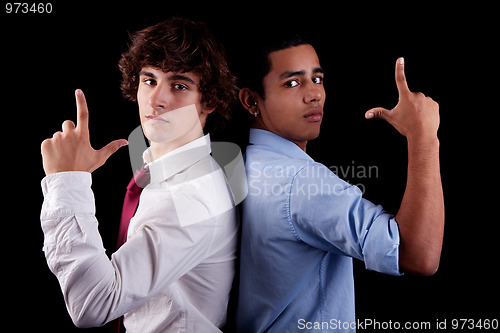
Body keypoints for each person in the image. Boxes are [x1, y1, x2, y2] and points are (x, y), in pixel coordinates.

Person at [40, 17, 240, 332]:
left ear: (210, 100)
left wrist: (67, 180)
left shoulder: (191, 196)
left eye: (178, 85)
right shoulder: (166, 173)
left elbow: (93, 304)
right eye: (149, 80)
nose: (156, 100)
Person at [235, 35, 444, 332]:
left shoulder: (246, 164)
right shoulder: (300, 181)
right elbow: (418, 256)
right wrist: (424, 137)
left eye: (317, 79)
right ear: (251, 100)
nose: (314, 95)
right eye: (293, 83)